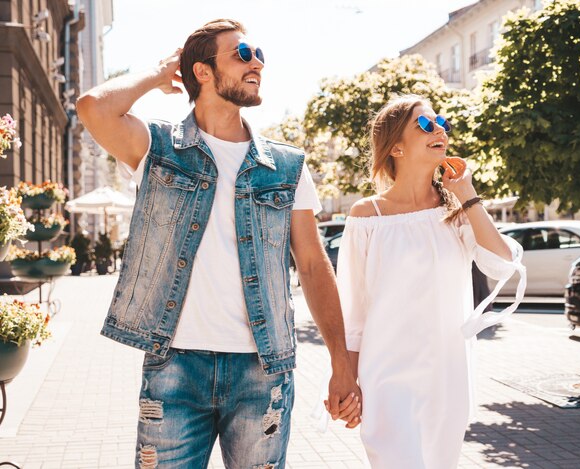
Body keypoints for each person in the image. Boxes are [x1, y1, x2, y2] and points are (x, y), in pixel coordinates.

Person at [77, 19, 361, 469]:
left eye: (259, 55)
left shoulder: (285, 166)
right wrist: (158, 73)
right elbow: (93, 107)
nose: (257, 64)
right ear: (203, 72)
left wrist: (342, 363)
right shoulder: (160, 148)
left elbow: (311, 263)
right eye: (242, 55)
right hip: (174, 367)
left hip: (262, 370)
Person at [336, 95, 526, 468]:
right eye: (425, 124)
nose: (439, 129)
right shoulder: (367, 215)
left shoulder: (455, 215)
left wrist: (467, 195)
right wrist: (346, 381)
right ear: (396, 147)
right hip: (386, 376)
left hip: (447, 375)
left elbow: (501, 265)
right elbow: (353, 312)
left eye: (441, 122)